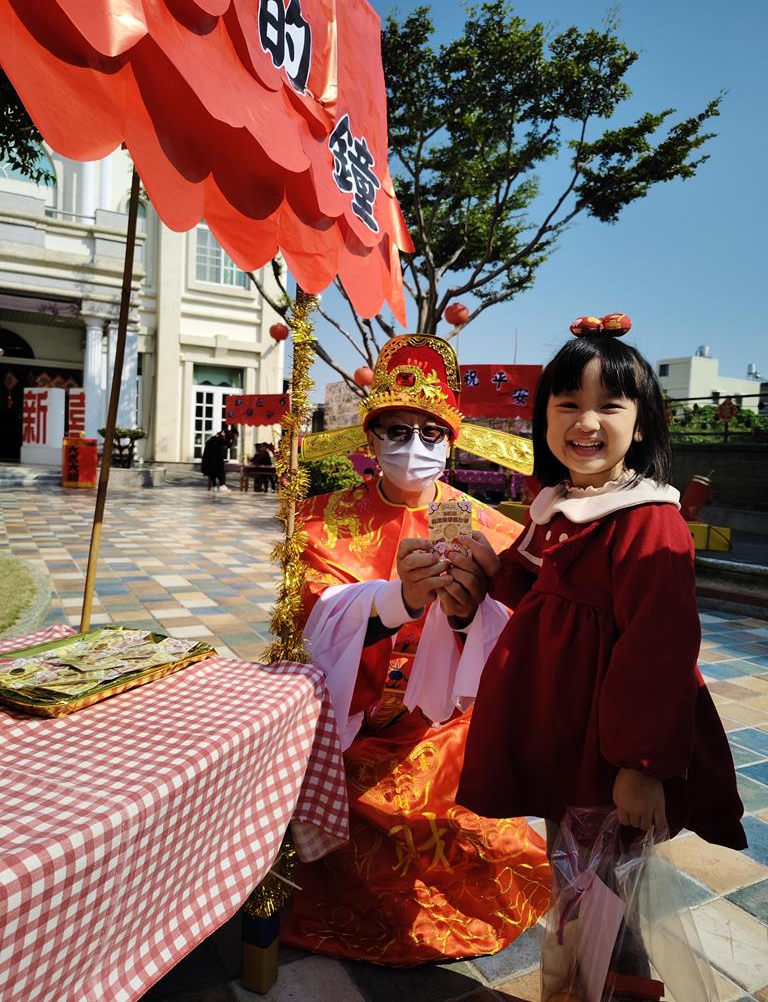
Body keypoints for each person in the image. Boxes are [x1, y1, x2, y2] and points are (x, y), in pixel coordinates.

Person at [456, 316, 746, 982]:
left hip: (608, 747)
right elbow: (535, 584)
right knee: (577, 881)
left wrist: (641, 765)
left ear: (641, 425)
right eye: (568, 404)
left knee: (605, 896)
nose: (585, 422)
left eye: (609, 406)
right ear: (544, 420)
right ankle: (579, 986)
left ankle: (610, 989)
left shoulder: (649, 521)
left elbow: (658, 652)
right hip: (564, 732)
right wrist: (485, 570)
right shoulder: (560, 504)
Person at [280, 334, 550, 965]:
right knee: (337, 824)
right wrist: (393, 601)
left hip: (443, 720)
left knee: (475, 826)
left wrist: (466, 613)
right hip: (350, 719)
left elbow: (515, 642)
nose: (414, 448)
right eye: (397, 432)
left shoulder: (491, 529)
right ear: (371, 440)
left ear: (450, 443)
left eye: (431, 434)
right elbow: (310, 620)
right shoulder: (318, 520)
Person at [200, 424, 231, 492]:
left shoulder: (213, 438)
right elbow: (226, 445)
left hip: (209, 458)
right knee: (220, 470)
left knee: (212, 470)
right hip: (215, 457)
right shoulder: (221, 438)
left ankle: (214, 486)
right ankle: (222, 485)